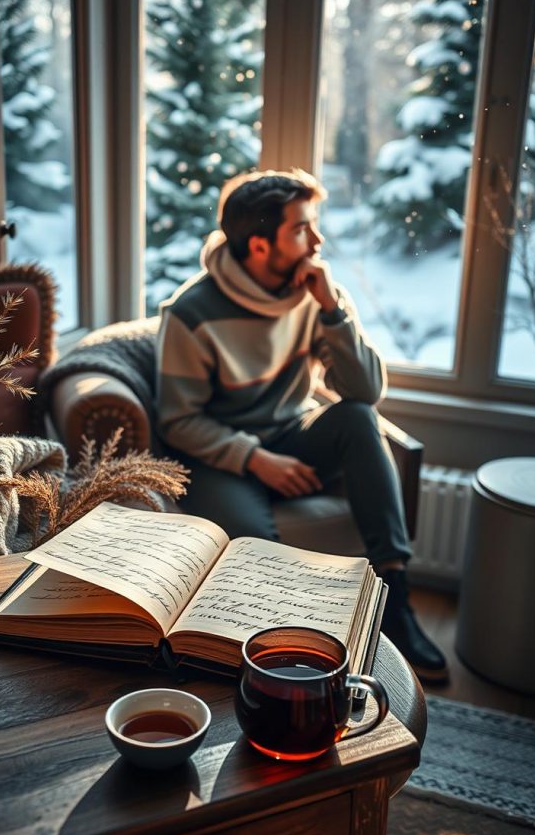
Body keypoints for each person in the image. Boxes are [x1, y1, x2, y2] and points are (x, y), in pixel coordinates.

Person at [156, 169, 448, 683]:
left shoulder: (315, 291)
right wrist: (255, 459)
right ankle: (276, 652)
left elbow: (366, 391)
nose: (318, 240)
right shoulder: (191, 313)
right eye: (302, 229)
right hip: (220, 455)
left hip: (291, 434)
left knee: (359, 418)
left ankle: (396, 604)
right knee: (255, 553)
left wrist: (333, 311)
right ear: (260, 245)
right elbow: (179, 420)